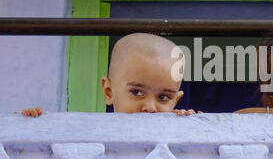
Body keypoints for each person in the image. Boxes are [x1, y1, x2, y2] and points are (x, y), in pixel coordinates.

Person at [20, 33, 198, 117]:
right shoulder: (90, 132)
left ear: (176, 101)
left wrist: (193, 125)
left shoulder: (173, 129)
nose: (150, 107)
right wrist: (31, 122)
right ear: (108, 91)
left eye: (164, 97)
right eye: (137, 92)